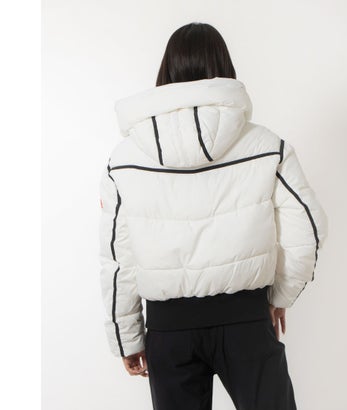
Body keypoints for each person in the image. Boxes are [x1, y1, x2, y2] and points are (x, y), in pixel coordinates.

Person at [98, 22, 328, 410]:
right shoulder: (266, 145)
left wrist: (127, 337)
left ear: (166, 71)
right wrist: (279, 297)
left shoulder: (124, 160)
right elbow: (308, 227)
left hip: (169, 331)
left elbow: (118, 258)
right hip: (247, 322)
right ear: (224, 68)